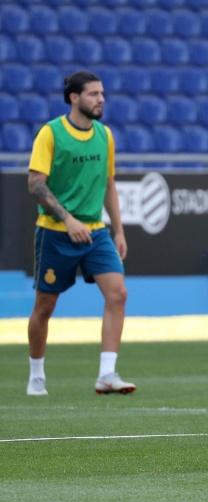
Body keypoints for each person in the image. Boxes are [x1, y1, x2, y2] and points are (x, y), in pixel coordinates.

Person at [26, 70, 135, 396]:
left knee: (118, 293)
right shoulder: (51, 133)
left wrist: (119, 231)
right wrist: (68, 220)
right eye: (93, 94)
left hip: (95, 232)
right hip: (55, 232)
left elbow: (109, 183)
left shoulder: (105, 135)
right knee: (45, 306)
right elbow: (35, 184)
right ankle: (36, 375)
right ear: (74, 98)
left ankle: (107, 374)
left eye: (102, 94)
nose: (101, 99)